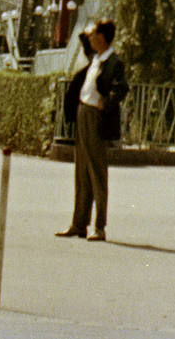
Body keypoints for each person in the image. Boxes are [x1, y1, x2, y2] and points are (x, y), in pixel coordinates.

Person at [56, 19, 127, 242]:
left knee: (97, 172)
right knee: (82, 171)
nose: (90, 38)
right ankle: (79, 223)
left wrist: (105, 102)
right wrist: (89, 29)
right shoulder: (95, 57)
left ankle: (99, 226)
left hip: (96, 116)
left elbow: (121, 88)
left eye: (94, 34)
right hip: (82, 112)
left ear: (103, 37)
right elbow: (83, 39)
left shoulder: (113, 61)